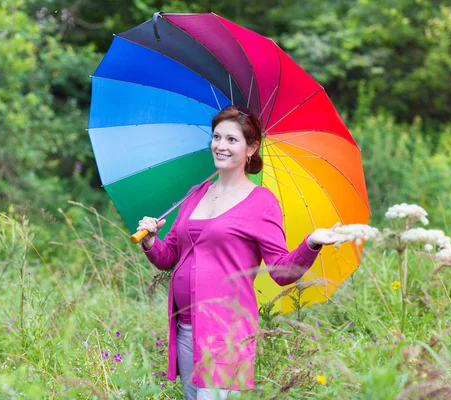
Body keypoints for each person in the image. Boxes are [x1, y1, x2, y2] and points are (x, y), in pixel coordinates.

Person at [137, 105, 344, 399]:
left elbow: (282, 272)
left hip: (225, 332)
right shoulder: (197, 192)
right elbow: (169, 257)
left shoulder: (261, 202)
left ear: (251, 148)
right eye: (217, 137)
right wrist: (150, 241)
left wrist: (312, 243)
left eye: (231, 140)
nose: (220, 146)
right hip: (185, 328)